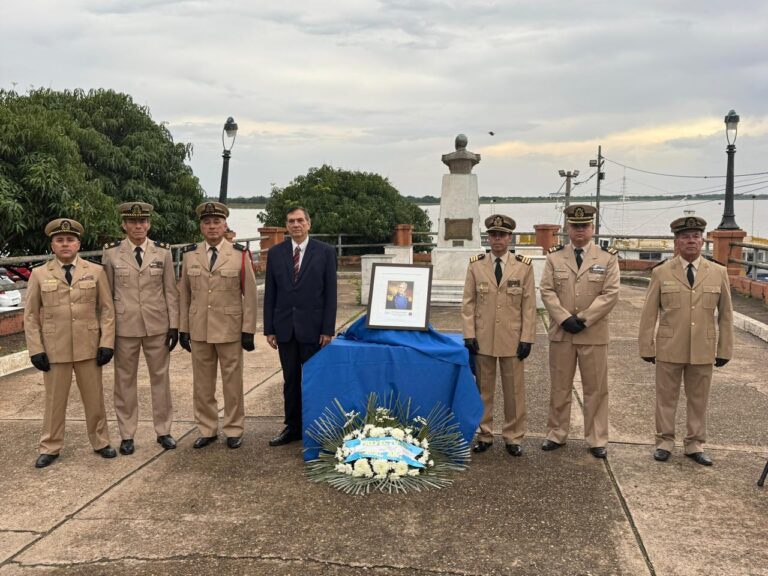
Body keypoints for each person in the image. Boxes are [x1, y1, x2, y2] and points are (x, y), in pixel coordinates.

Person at [638, 216, 733, 466]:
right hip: (669, 346)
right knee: (666, 398)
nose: (690, 240)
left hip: (703, 347)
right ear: (676, 242)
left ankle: (694, 444)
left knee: (699, 399)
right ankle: (664, 441)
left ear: (703, 241)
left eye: (695, 236)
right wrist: (646, 346)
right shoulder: (661, 272)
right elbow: (649, 314)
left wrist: (724, 349)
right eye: (685, 236)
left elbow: (726, 315)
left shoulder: (718, 272)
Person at [24, 218, 117, 468]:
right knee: (54, 401)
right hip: (55, 349)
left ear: (78, 244)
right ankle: (50, 446)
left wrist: (106, 343)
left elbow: (107, 310)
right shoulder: (40, 273)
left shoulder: (95, 271)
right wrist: (36, 349)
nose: (65, 244)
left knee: (94, 398)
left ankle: (100, 442)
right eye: (59, 240)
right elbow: (31, 315)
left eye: (70, 240)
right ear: (52, 245)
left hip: (89, 346)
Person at [539, 204, 620, 459]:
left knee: (595, 388)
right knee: (560, 387)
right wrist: (564, 319)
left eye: (584, 226)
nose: (580, 231)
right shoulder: (554, 257)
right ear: (567, 228)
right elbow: (547, 291)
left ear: (592, 228)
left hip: (593, 333)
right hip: (562, 333)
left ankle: (597, 438)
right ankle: (556, 433)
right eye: (575, 226)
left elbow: (611, 293)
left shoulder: (607, 258)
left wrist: (583, 319)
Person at [178, 201, 258, 449]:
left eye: (216, 222)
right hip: (199, 329)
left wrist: (248, 330)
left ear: (225, 225)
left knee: (232, 383)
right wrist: (183, 328)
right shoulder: (190, 255)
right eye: (207, 223)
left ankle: (234, 428)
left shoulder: (239, 255)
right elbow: (185, 295)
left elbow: (251, 295)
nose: (212, 227)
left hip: (230, 330)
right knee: (202, 384)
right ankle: (207, 428)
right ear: (201, 227)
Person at [102, 202, 179, 455]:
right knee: (124, 382)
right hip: (125, 328)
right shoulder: (112, 254)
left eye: (143, 221)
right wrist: (107, 333)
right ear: (124, 225)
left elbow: (170, 291)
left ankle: (164, 430)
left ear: (149, 224)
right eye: (133, 222)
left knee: (161, 380)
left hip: (157, 326)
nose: (138, 226)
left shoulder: (163, 253)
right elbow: (107, 296)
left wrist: (174, 325)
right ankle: (127, 434)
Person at [461, 214, 536, 457]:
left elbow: (529, 305)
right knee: (484, 390)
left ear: (509, 237)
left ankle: (513, 436)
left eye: (502, 235)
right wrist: (469, 335)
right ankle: (484, 434)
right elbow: (468, 304)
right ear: (488, 237)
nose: (497, 239)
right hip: (483, 338)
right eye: (493, 235)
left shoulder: (523, 266)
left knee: (514, 391)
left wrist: (527, 338)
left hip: (512, 339)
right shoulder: (476, 265)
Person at [263, 206, 338, 446]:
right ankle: (292, 427)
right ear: (286, 226)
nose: (296, 225)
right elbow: (270, 294)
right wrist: (269, 328)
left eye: (300, 220)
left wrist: (328, 329)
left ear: (309, 223)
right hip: (285, 328)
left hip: (314, 330)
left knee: (315, 379)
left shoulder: (325, 252)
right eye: (291, 221)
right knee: (291, 379)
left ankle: (317, 426)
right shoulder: (276, 253)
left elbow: (331, 294)